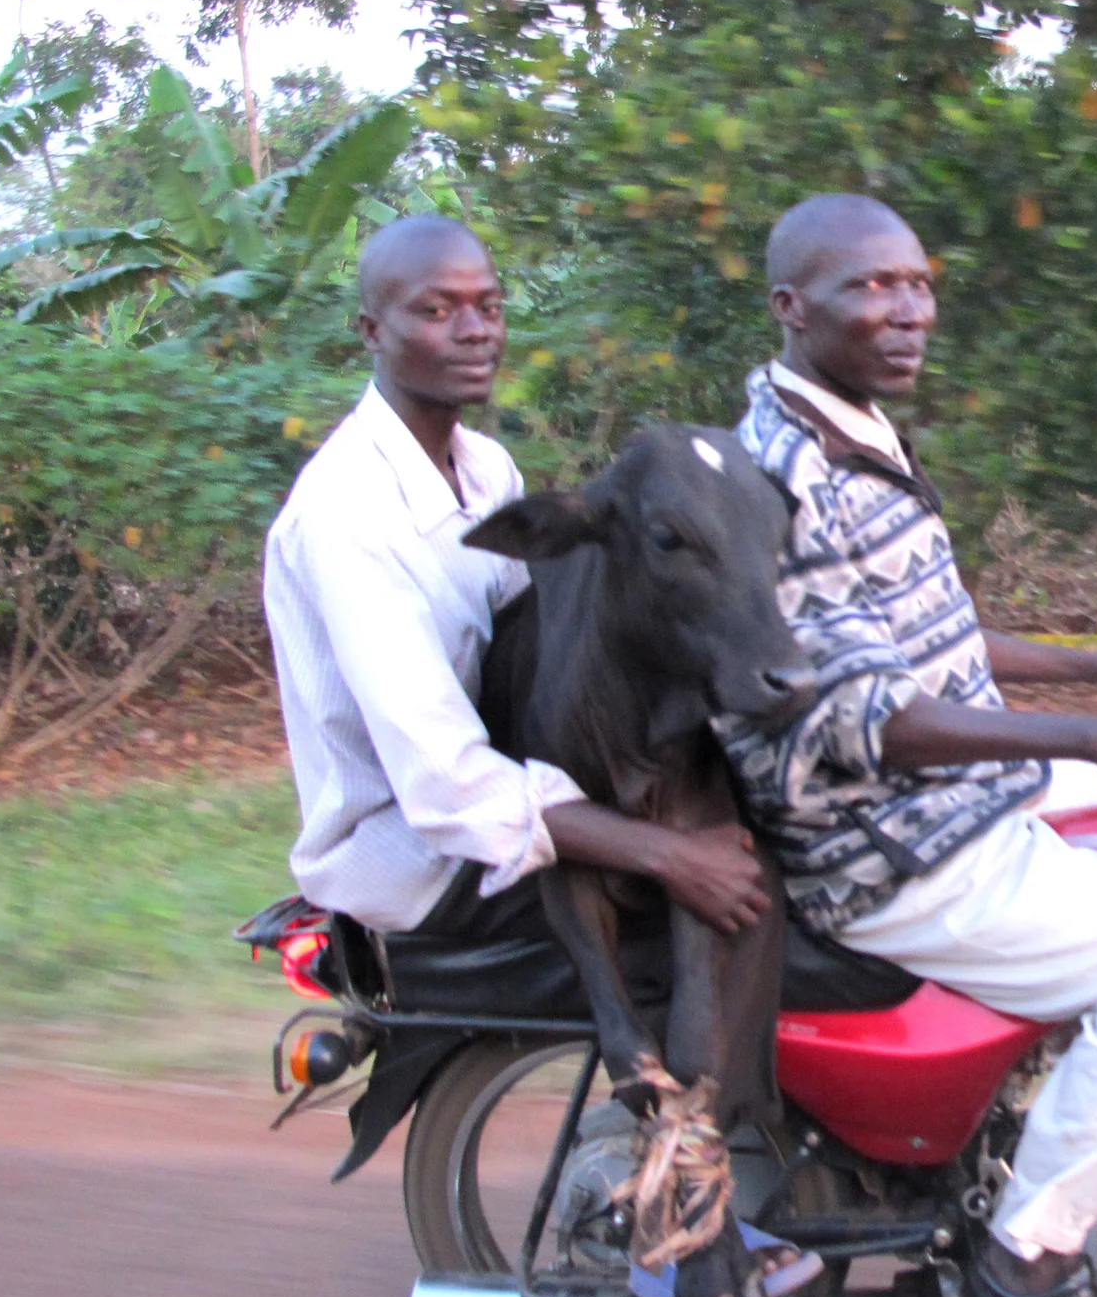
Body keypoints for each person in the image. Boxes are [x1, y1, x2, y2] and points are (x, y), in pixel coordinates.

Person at [718, 193, 1097, 1297]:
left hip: (930, 801)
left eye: (917, 283)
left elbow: (933, 640)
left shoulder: (848, 428)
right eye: (870, 288)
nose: (907, 312)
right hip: (885, 844)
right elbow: (866, 714)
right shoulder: (786, 475)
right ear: (792, 307)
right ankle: (1028, 1267)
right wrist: (1091, 740)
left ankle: (1060, 1115)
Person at [261, 213, 771, 945]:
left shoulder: (486, 468)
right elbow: (444, 783)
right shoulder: (345, 514)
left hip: (509, 784)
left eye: (489, 307)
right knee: (749, 914)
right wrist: (669, 853)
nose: (475, 330)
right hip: (415, 851)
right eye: (437, 311)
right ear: (371, 330)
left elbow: (538, 654)